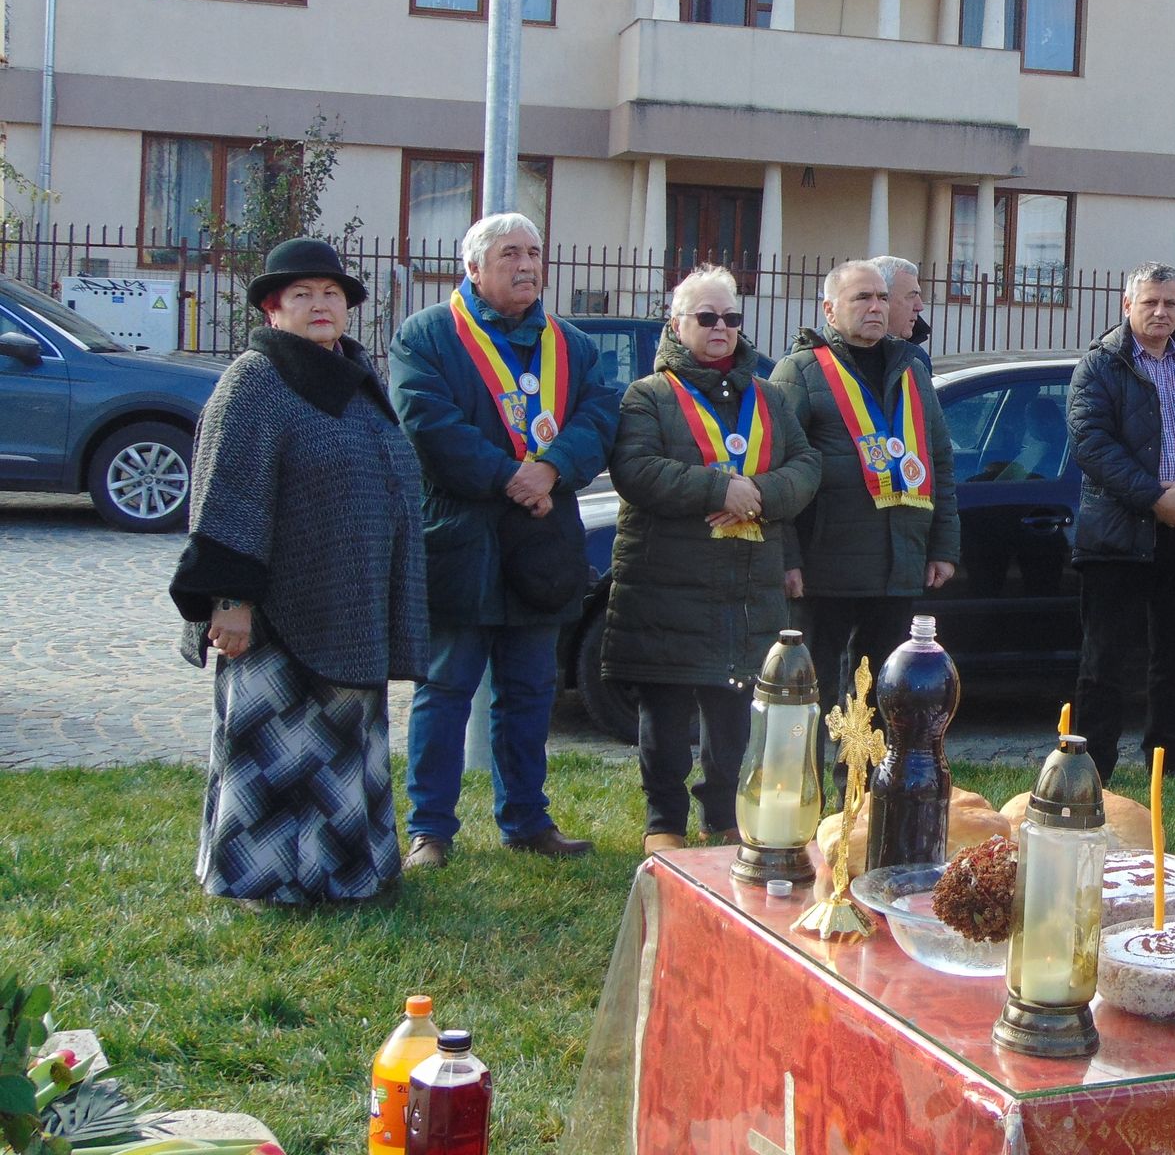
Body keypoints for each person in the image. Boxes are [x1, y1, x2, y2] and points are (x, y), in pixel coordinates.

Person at [169, 238, 427, 906]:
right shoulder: (256, 381)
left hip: (350, 602)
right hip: (273, 612)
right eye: (302, 294)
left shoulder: (355, 379)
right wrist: (228, 598)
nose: (320, 304)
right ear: (272, 309)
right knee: (277, 751)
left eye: (332, 293)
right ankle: (265, 878)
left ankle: (346, 873)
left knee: (343, 741)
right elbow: (227, 492)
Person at [388, 212, 621, 869]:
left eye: (534, 252)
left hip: (542, 544)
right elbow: (428, 425)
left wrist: (551, 470)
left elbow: (599, 418)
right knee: (445, 690)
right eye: (510, 254)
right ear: (473, 268)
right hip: (460, 540)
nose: (526, 265)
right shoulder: (426, 336)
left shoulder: (571, 344)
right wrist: (510, 476)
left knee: (529, 692)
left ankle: (526, 820)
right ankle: (431, 830)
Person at [603, 267, 820, 855]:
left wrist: (758, 494)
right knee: (666, 711)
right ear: (677, 324)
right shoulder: (648, 395)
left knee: (734, 711)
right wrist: (718, 489)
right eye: (706, 317)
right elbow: (636, 470)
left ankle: (723, 815)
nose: (720, 327)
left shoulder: (769, 396)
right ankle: (664, 822)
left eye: (730, 317)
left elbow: (806, 467)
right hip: (669, 581)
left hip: (747, 584)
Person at [1068, 262, 1175, 781]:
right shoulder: (1099, 366)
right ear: (1128, 305)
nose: (1161, 312)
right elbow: (1091, 444)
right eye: (1150, 302)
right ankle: (1093, 765)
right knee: (1104, 659)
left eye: (1170, 303)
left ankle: (1169, 759)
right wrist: (1154, 498)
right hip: (1117, 534)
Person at [770, 260, 958, 730]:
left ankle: (866, 776)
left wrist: (942, 546)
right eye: (862, 298)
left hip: (897, 563)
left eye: (881, 297)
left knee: (880, 692)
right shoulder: (800, 371)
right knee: (815, 690)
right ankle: (810, 776)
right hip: (824, 566)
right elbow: (775, 470)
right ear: (829, 310)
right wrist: (786, 557)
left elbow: (938, 459)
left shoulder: (911, 368)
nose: (876, 307)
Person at [872, 254, 932, 364]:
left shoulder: (917, 358)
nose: (919, 307)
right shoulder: (842, 359)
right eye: (911, 295)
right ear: (882, 300)